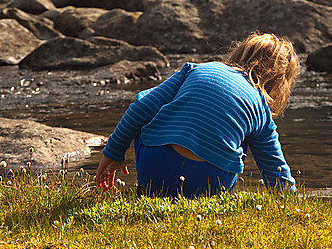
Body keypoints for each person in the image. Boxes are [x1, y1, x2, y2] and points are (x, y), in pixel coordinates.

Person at [94, 32, 299, 198]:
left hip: (155, 170)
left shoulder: (197, 69)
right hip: (208, 185)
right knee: (241, 134)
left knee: (152, 114)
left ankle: (149, 192)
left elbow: (141, 105)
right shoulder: (261, 108)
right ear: (279, 83)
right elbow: (275, 167)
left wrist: (113, 153)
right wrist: (290, 203)